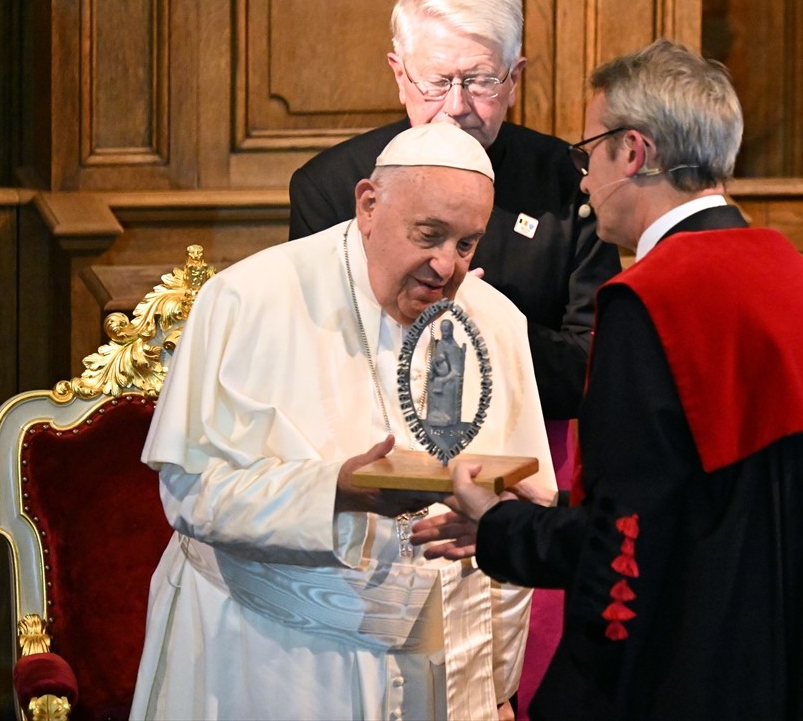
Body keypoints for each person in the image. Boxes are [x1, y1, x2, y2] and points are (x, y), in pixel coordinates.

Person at [411, 40, 803, 720]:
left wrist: (501, 528)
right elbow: (706, 500)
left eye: (588, 154)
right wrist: (564, 502)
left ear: (633, 152)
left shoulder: (651, 299)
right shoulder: (793, 275)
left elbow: (627, 555)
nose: (581, 181)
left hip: (695, 677)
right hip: (801, 672)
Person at [130, 123, 557, 720]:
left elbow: (527, 500)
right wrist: (336, 491)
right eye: (428, 235)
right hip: (270, 663)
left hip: (443, 669)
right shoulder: (248, 300)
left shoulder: (495, 322)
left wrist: (494, 529)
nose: (446, 267)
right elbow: (192, 493)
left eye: (466, 245)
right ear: (369, 205)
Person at [287, 0, 621, 424]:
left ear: (514, 80)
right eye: (437, 81)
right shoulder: (329, 185)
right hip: (368, 447)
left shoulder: (570, 183)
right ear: (400, 75)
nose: (457, 106)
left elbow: (596, 366)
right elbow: (310, 356)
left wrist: (486, 323)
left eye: (481, 80)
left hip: (522, 448)